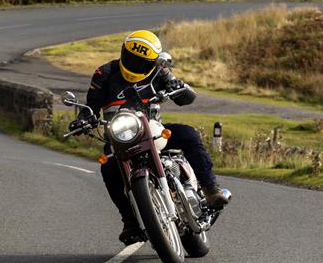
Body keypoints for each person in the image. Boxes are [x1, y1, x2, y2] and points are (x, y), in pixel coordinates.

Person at [68, 30, 229, 245]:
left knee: (189, 134)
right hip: (119, 138)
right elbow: (91, 105)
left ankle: (211, 188)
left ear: (152, 63)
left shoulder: (159, 72)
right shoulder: (104, 73)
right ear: (123, 52)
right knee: (107, 167)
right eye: (131, 59)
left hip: (153, 130)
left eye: (141, 62)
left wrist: (178, 87)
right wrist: (83, 119)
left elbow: (185, 98)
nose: (135, 65)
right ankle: (130, 221)